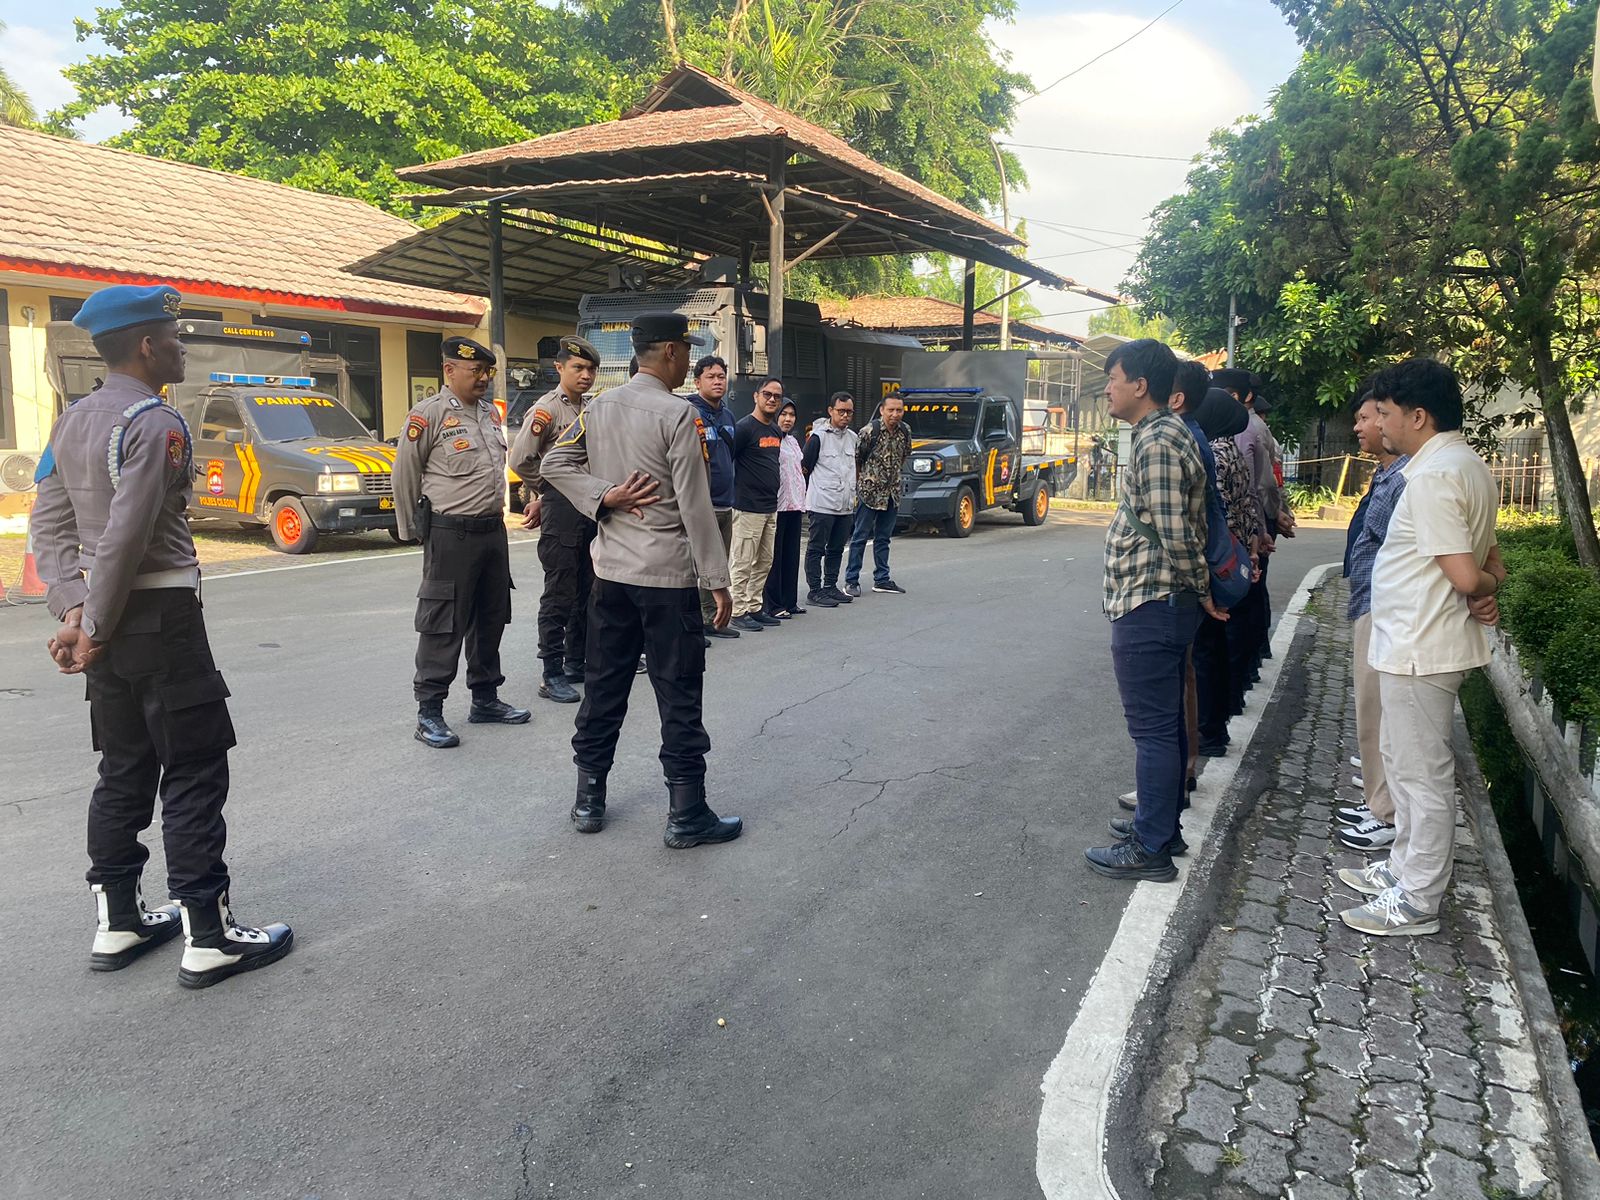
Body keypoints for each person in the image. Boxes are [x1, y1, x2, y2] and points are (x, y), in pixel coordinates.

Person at [29, 284, 292, 988]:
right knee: (195, 766)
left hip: (104, 618)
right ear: (147, 345)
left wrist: (73, 610)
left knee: (124, 766)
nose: (182, 350)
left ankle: (118, 920)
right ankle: (209, 935)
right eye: (175, 339)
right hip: (158, 619)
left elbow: (49, 525)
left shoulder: (72, 421)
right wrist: (94, 625)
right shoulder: (155, 422)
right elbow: (128, 533)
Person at [541, 312, 743, 848]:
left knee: (603, 686)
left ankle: (589, 800)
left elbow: (554, 464)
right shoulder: (677, 414)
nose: (686, 360)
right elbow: (696, 506)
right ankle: (686, 814)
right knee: (678, 693)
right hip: (667, 578)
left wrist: (602, 496)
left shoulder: (598, 407)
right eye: (686, 351)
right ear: (671, 352)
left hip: (611, 576)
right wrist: (716, 579)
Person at [1337, 359, 1500, 936]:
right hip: (1418, 640)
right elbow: (1488, 555)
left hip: (1419, 644)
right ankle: (1404, 868)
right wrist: (1486, 584)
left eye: (1385, 412)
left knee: (1420, 775)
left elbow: (1467, 572)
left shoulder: (1432, 476)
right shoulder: (1465, 464)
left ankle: (1417, 900)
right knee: (1406, 765)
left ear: (1418, 415)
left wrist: (1485, 588)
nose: (1379, 423)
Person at [1084, 339, 1219, 883]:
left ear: (1140, 386)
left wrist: (1201, 588)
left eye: (1114, 379)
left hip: (1152, 599)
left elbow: (1175, 532)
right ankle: (1162, 826)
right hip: (1157, 600)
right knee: (1164, 724)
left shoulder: (1159, 440)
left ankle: (1151, 846)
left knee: (1154, 730)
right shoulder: (1161, 433)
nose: (1108, 389)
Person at [393, 336, 530, 748]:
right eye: (476, 371)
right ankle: (429, 711)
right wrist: (412, 530)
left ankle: (485, 698)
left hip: (492, 531)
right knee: (443, 621)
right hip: (451, 533)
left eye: (487, 371)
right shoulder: (428, 415)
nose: (483, 378)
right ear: (449, 370)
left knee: (491, 616)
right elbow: (405, 474)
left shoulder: (490, 413)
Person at [1336, 389, 1409, 852]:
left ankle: (1387, 814)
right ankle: (1378, 800)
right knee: (1372, 712)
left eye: (1373, 416)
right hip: (1369, 603)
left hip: (1384, 608)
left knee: (1380, 713)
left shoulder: (1406, 478)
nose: (1364, 426)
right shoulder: (1387, 474)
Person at [509, 335, 600, 705]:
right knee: (560, 593)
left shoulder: (592, 408)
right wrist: (546, 491)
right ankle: (552, 672)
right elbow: (520, 460)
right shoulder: (546, 410)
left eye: (591, 369)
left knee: (588, 589)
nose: (585, 375)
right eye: (578, 367)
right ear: (560, 368)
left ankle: (577, 661)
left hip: (590, 507)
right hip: (562, 509)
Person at [688, 355, 740, 639]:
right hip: (701, 505)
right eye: (711, 377)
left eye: (721, 376)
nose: (717, 381)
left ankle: (711, 620)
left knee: (718, 565)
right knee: (695, 566)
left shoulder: (728, 416)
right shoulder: (690, 413)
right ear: (697, 382)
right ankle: (693, 622)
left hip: (725, 503)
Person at [728, 377, 784, 632]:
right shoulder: (743, 428)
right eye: (767, 394)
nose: (772, 399)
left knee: (764, 561)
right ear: (756, 396)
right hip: (747, 507)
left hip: (770, 507)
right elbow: (729, 461)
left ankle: (754, 607)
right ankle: (737, 611)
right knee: (742, 562)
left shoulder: (775, 431)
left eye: (777, 396)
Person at [843, 391, 912, 596]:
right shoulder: (869, 432)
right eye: (891, 410)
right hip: (869, 494)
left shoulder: (905, 431)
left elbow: (904, 456)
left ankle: (882, 579)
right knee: (860, 537)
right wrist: (861, 484)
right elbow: (858, 459)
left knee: (884, 538)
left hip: (892, 494)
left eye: (899, 410)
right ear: (882, 410)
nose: (895, 414)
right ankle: (851, 581)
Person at [801, 391, 859, 608]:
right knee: (816, 549)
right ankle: (815, 591)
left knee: (836, 548)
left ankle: (830, 586)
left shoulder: (853, 438)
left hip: (845, 505)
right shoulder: (818, 437)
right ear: (830, 411)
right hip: (822, 504)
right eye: (841, 411)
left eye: (849, 412)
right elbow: (805, 467)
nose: (845, 415)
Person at [762, 399, 808, 619]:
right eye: (784, 414)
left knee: (791, 555)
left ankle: (790, 601)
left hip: (794, 504)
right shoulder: (770, 440)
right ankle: (772, 604)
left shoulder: (793, 442)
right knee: (774, 557)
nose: (788, 419)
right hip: (777, 505)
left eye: (791, 415)